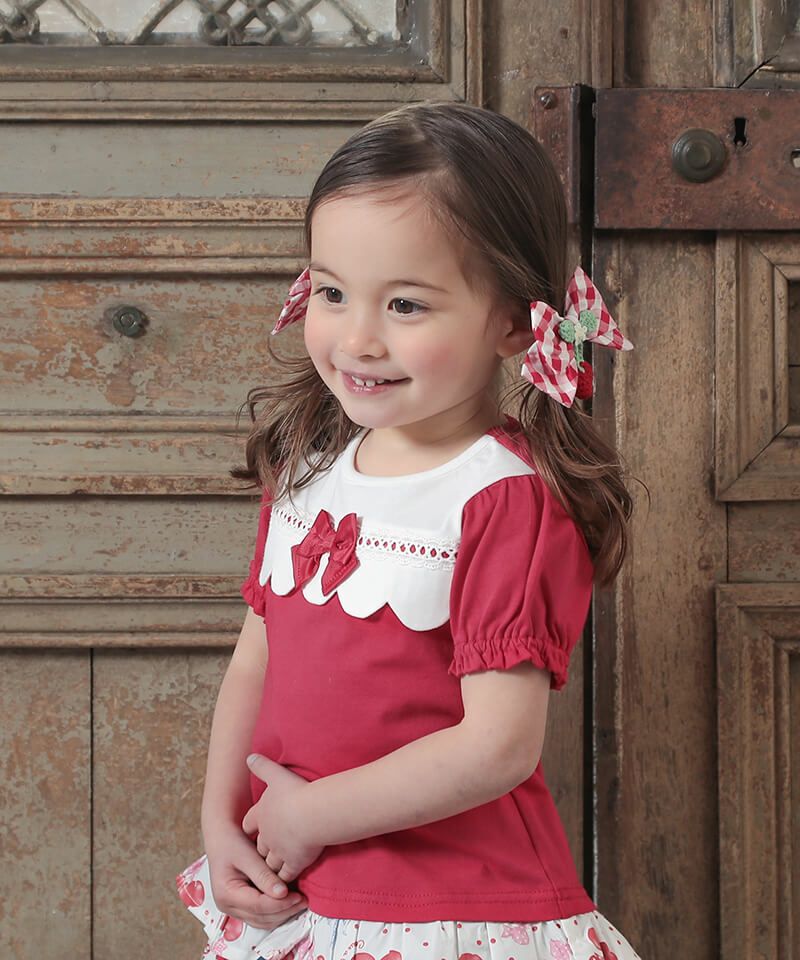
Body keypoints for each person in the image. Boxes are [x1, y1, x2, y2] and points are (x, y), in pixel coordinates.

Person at [176, 100, 643, 960]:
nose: (357, 338)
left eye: (405, 305)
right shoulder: (309, 466)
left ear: (513, 320)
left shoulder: (504, 499)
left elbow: (496, 746)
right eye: (332, 293)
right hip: (295, 891)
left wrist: (312, 815)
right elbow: (255, 661)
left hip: (444, 909)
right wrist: (221, 816)